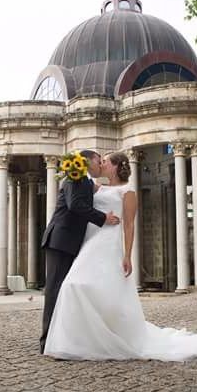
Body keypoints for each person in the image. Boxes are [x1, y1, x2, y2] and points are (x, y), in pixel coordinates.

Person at [44, 152, 197, 361]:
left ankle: (95, 339)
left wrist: (127, 254)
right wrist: (73, 172)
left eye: (105, 161)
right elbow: (78, 196)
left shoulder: (128, 190)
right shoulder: (96, 186)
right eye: (100, 160)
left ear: (115, 166)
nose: (102, 164)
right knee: (75, 286)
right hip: (89, 240)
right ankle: (77, 338)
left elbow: (129, 224)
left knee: (76, 285)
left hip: (108, 242)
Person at [39, 150, 121, 354]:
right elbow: (75, 205)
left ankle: (61, 337)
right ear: (88, 161)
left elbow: (92, 193)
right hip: (60, 240)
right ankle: (47, 340)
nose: (100, 164)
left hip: (69, 241)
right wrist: (104, 218)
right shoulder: (75, 178)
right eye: (98, 160)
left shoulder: (84, 181)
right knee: (55, 290)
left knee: (65, 289)